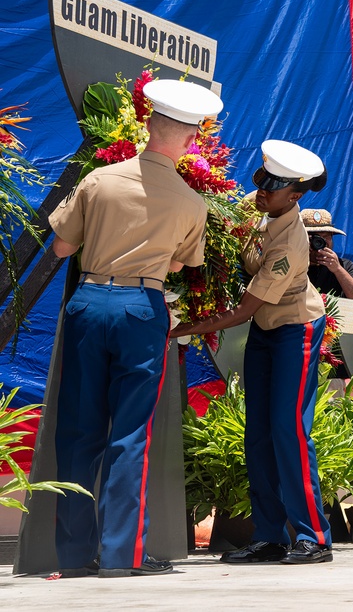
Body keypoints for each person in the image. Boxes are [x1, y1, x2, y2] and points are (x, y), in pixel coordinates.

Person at [49, 79, 221, 577]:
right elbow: (184, 264)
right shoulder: (192, 203)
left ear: (147, 124)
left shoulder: (99, 181)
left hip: (88, 301)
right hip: (141, 309)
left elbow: (61, 249)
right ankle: (123, 555)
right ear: (190, 141)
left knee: (78, 432)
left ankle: (74, 556)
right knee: (130, 434)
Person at [170, 140, 333, 565]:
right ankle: (269, 537)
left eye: (273, 186)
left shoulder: (290, 245)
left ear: (295, 195)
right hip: (266, 328)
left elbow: (243, 311)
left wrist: (182, 327)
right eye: (261, 179)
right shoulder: (255, 206)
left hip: (295, 329)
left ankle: (313, 537)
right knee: (257, 432)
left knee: (288, 429)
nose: (261, 191)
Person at [301, 208, 353, 302]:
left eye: (326, 237)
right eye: (315, 238)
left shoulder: (344, 265)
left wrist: (337, 269)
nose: (322, 242)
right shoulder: (293, 264)